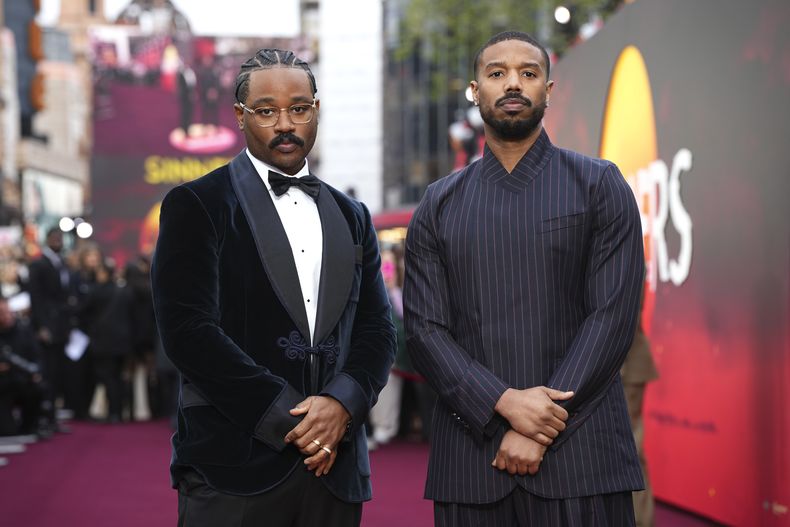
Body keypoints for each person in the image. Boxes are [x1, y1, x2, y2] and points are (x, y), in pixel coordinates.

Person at [403, 31, 645, 526]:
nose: (513, 84)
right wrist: (501, 405)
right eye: (497, 73)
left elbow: (612, 317)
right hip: (471, 460)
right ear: (475, 91)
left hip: (582, 457)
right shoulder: (438, 203)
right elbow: (424, 331)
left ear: (549, 89)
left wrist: (537, 428)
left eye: (528, 73)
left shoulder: (599, 184)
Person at [152, 48, 396, 527]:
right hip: (234, 465)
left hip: (334, 469)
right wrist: (295, 420)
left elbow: (377, 330)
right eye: (267, 111)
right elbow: (187, 332)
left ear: (316, 111)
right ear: (241, 118)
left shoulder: (353, 216)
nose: (285, 123)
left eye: (299, 108)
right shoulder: (196, 203)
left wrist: (342, 404)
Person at [621, 280, 659, 527]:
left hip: (627, 367)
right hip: (619, 368)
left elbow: (625, 315)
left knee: (632, 450)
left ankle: (640, 521)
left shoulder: (623, 246)